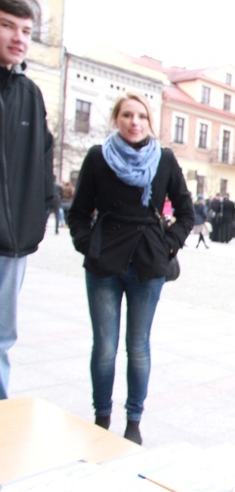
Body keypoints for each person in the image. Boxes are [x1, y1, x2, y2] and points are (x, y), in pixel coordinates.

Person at [67, 92, 194, 444]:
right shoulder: (97, 157)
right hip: (104, 263)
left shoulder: (164, 159)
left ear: (149, 122)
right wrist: (87, 243)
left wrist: (169, 245)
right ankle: (101, 416)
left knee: (138, 346)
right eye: (126, 115)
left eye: (141, 116)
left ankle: (134, 420)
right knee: (105, 346)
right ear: (116, 119)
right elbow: (77, 212)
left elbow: (186, 212)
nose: (134, 122)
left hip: (147, 262)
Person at [0, 0, 54, 401]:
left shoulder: (30, 94)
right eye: (6, 26)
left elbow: (42, 160)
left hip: (11, 243)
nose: (18, 38)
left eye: (25, 31)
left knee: (2, 338)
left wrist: (34, 221)